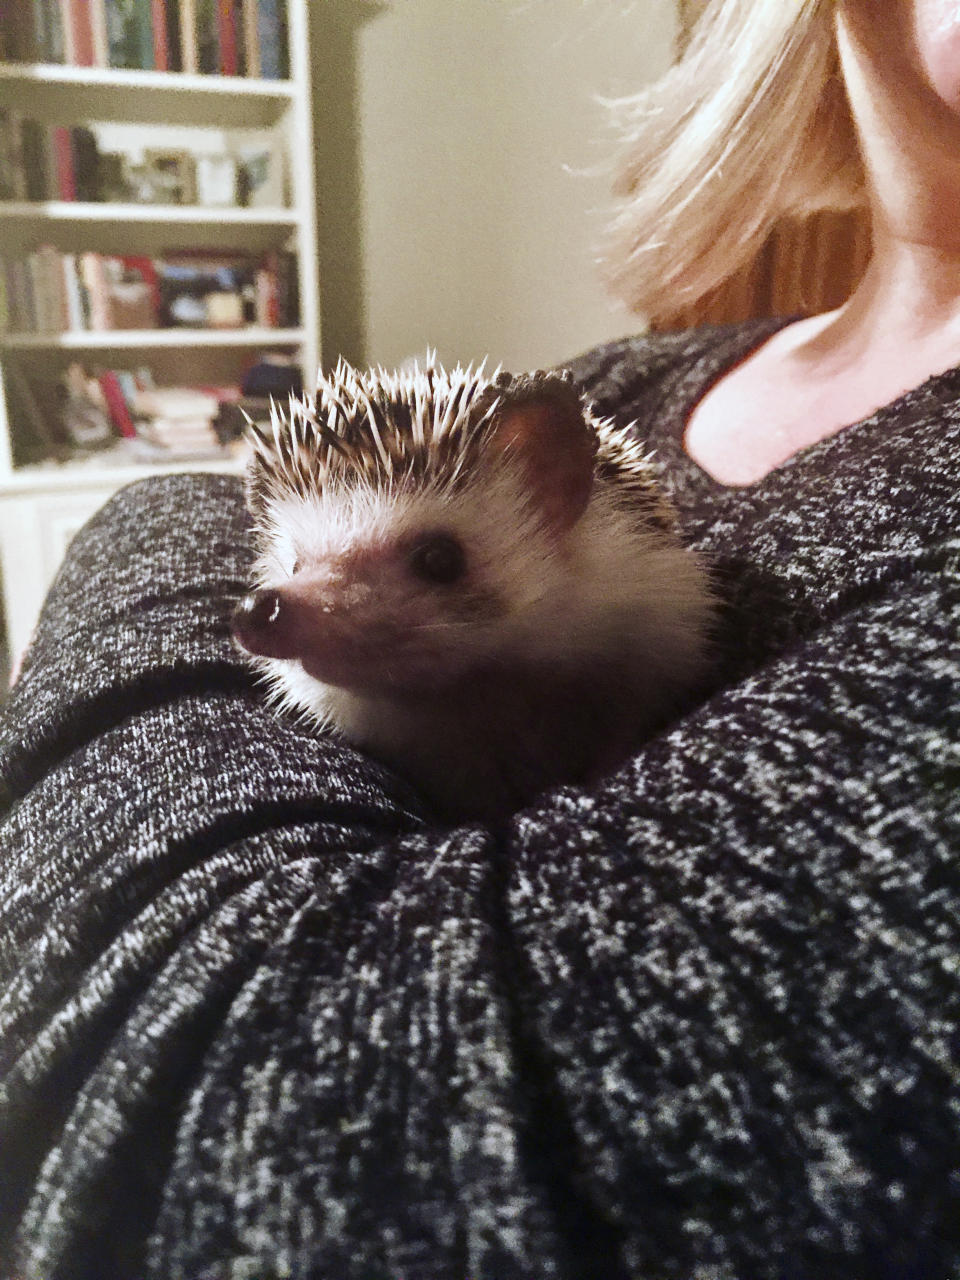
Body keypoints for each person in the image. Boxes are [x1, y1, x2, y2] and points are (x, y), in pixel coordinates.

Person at [0, 1, 957, 1277]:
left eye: (437, 561)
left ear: (556, 504)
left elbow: (226, 1115)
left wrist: (138, 546)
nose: (288, 612)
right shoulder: (633, 375)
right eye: (286, 567)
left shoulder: (640, 573)